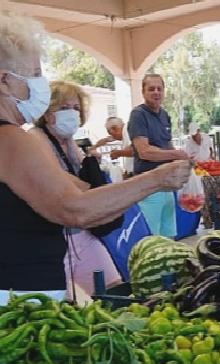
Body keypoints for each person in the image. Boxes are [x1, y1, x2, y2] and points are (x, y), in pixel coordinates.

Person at [0, 10, 191, 301]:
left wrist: (136, 187)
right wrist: (157, 179)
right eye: (35, 74)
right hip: (22, 301)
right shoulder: (11, 139)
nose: (41, 84)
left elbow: (83, 193)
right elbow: (76, 209)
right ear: (4, 81)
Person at [29, 81, 121, 300]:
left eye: (76, 108)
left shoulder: (70, 145)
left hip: (81, 236)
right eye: (62, 108)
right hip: (52, 241)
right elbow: (66, 183)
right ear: (46, 113)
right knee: (75, 305)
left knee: (113, 289)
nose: (71, 113)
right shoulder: (35, 139)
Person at [128, 73, 190, 237]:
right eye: (151, 89)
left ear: (164, 91)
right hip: (148, 186)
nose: (156, 92)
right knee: (151, 239)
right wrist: (176, 153)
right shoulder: (138, 115)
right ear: (143, 92)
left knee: (169, 236)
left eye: (159, 89)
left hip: (167, 184)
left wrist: (182, 161)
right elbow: (144, 151)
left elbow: (167, 144)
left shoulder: (164, 115)